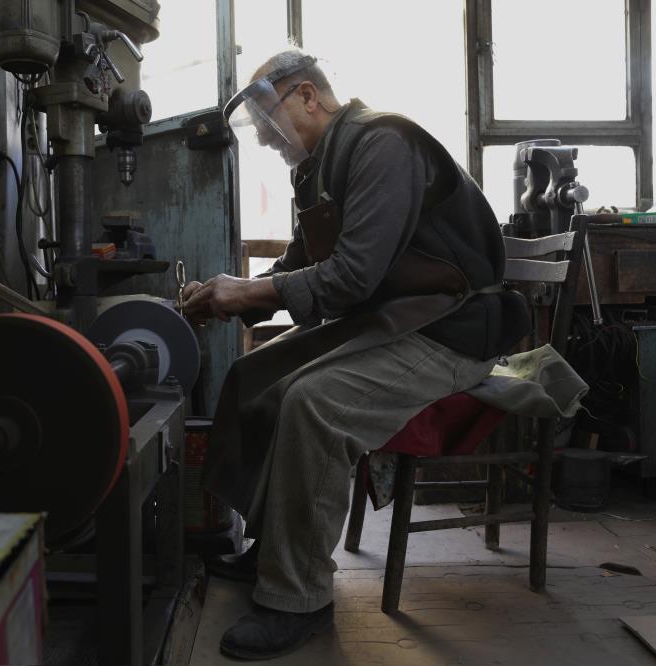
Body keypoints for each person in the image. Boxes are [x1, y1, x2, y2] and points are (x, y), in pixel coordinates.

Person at [182, 49, 530, 660]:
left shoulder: (381, 144)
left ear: (308, 97)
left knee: (315, 403)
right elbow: (302, 264)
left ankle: (300, 597)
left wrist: (251, 292)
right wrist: (229, 296)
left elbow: (351, 277)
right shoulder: (317, 167)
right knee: (255, 374)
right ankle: (272, 549)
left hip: (453, 329)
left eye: (271, 126)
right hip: (397, 319)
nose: (268, 142)